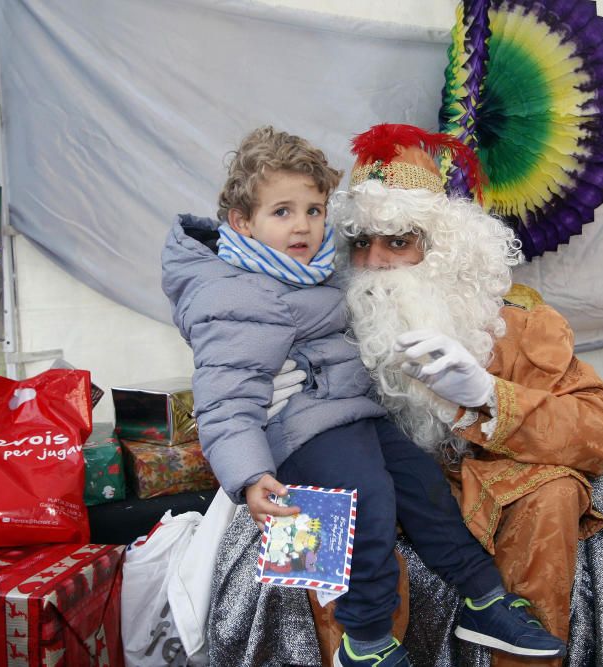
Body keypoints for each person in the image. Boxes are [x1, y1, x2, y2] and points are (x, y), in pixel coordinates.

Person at [161, 126, 566, 667]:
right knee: (367, 502)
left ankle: (484, 598)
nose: (302, 226)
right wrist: (250, 475)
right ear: (242, 222)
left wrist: (485, 393)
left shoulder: (316, 271)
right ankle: (366, 643)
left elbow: (591, 421)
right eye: (282, 212)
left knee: (422, 489)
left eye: (313, 210)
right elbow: (223, 401)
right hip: (301, 434)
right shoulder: (233, 293)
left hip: (357, 418)